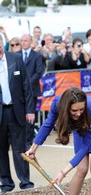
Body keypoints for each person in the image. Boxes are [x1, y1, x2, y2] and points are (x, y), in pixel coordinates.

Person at [25, 87, 91, 194]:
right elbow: (47, 125)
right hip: (80, 126)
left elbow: (87, 145)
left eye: (81, 109)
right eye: (74, 110)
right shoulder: (57, 103)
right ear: (66, 107)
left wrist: (63, 173)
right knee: (82, 169)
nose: (78, 113)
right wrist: (33, 148)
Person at [0, 36, 35, 194]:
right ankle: (6, 183)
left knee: (19, 149)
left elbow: (26, 85)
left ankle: (25, 182)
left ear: (3, 43)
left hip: (17, 111)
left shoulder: (16, 58)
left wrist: (30, 110)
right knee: (0, 150)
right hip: (0, 113)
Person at [19, 34, 45, 148]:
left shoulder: (37, 56)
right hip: (18, 92)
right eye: (22, 41)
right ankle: (20, 139)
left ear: (30, 42)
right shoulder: (17, 55)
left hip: (32, 91)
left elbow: (39, 71)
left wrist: (27, 83)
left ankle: (29, 141)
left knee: (30, 116)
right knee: (19, 116)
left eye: (25, 41)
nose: (23, 42)